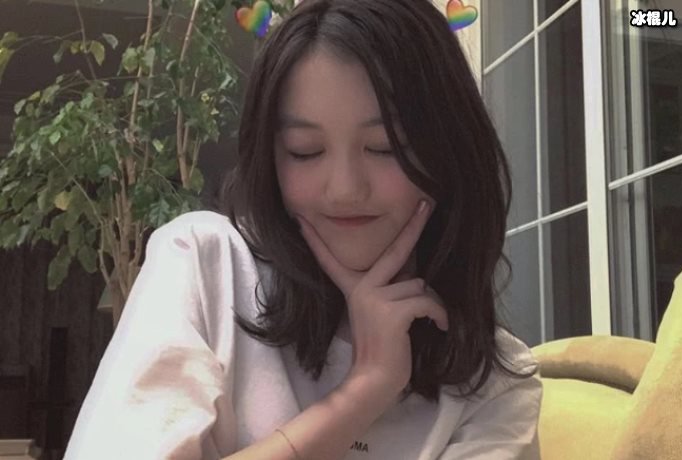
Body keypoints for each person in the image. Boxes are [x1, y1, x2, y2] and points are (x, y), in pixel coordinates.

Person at [64, 0, 542, 458]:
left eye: (384, 147)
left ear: (451, 153)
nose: (344, 190)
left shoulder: (496, 386)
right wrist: (362, 393)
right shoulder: (205, 265)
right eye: (305, 151)